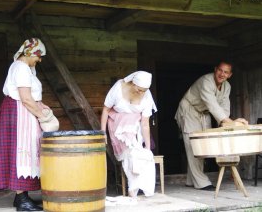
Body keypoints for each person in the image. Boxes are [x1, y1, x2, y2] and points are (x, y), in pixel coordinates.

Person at [0, 38, 52, 211]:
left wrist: (41, 106)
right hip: (18, 114)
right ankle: (21, 199)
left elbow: (32, 97)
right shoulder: (20, 68)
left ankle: (22, 197)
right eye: (39, 55)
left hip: (24, 113)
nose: (40, 60)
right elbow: (26, 99)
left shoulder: (27, 69)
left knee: (27, 151)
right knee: (22, 152)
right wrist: (43, 117)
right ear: (30, 52)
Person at [175, 60, 248, 191]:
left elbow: (224, 107)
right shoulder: (206, 81)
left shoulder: (227, 87)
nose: (222, 74)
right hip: (189, 110)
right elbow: (212, 104)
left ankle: (191, 180)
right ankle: (201, 182)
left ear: (230, 75)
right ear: (215, 69)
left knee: (203, 145)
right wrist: (230, 121)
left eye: (226, 72)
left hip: (205, 113)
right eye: (220, 70)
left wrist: (227, 123)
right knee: (193, 145)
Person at [101, 71, 157, 197]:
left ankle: (139, 185)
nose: (141, 93)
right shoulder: (118, 88)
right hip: (119, 125)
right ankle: (133, 187)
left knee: (143, 154)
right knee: (130, 153)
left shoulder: (146, 95)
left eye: (144, 90)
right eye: (139, 89)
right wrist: (102, 133)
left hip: (136, 127)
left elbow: (145, 123)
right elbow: (105, 110)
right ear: (132, 83)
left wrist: (147, 148)